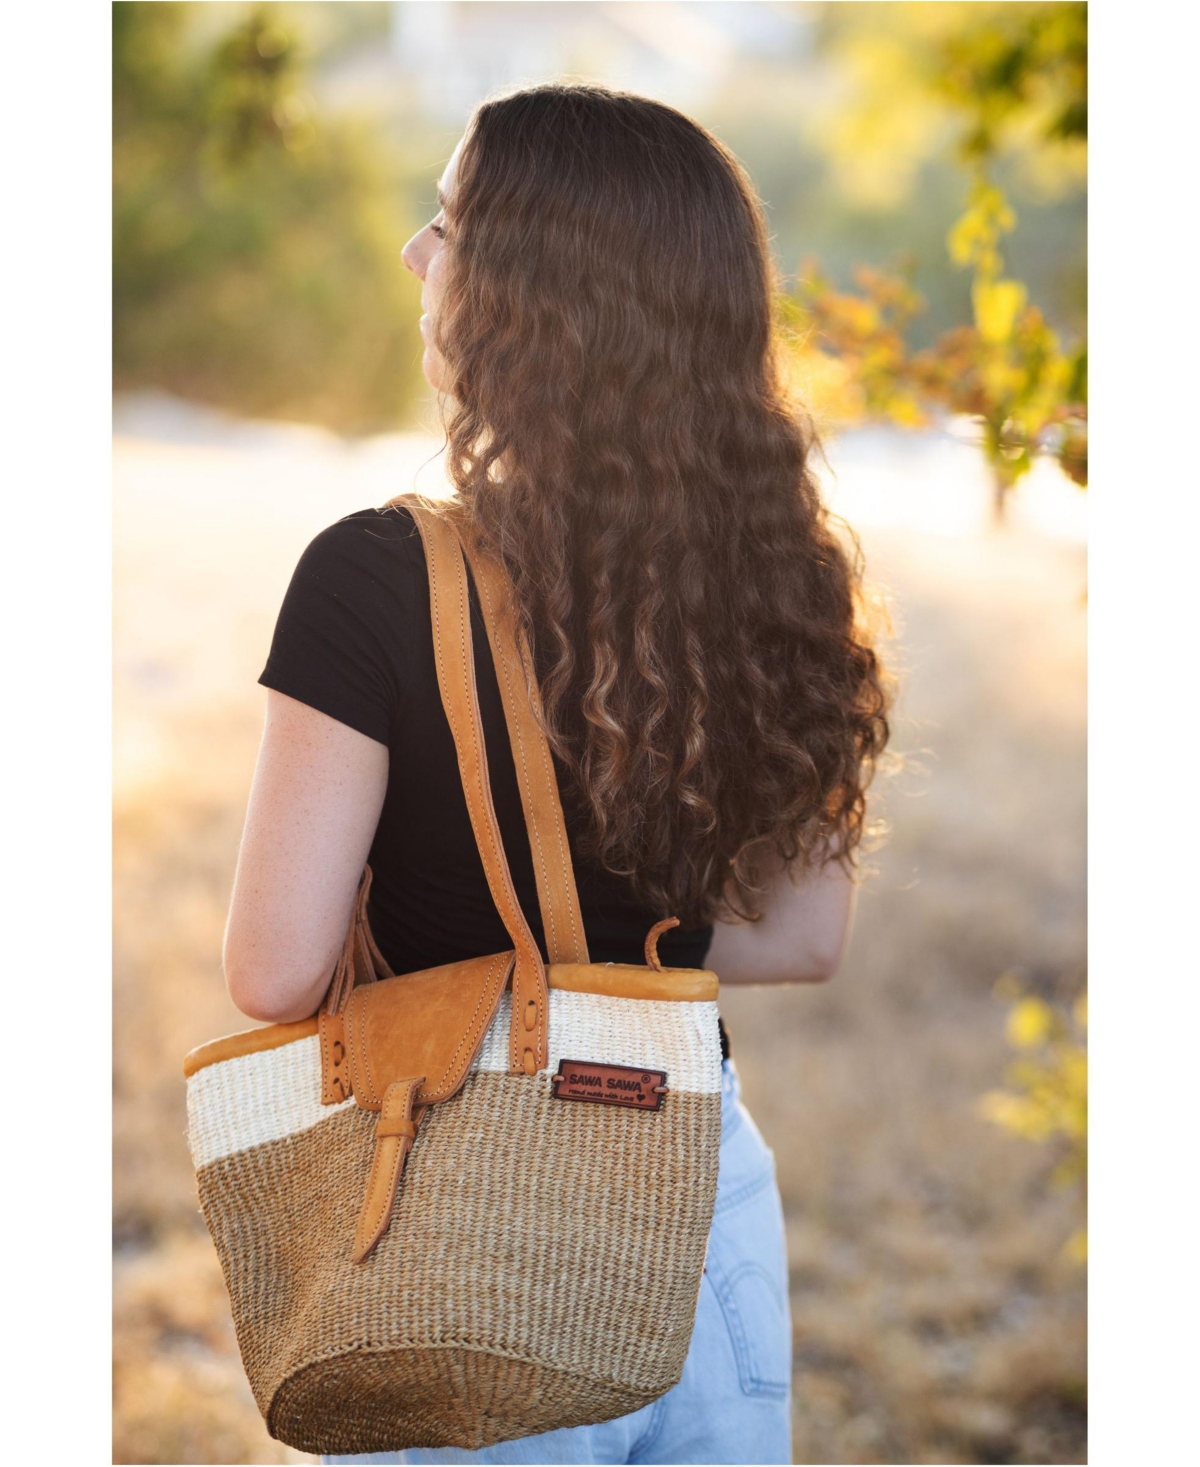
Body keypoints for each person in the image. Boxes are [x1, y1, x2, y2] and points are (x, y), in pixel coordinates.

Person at [222, 82, 890, 1467]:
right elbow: (804, 938)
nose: (417, 255)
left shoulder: (375, 574)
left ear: (539, 293)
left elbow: (274, 971)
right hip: (698, 1200)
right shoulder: (784, 576)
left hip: (464, 1219)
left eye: (451, 223)